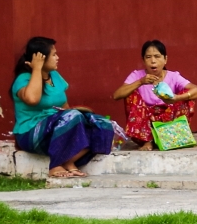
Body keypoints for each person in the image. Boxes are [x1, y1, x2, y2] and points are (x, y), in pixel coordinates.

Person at [11, 36, 120, 178]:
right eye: (54, 54)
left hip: (57, 128)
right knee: (72, 116)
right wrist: (37, 69)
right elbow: (32, 99)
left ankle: (68, 161)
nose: (57, 58)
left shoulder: (55, 76)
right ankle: (55, 165)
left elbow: (64, 107)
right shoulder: (23, 79)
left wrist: (82, 117)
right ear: (42, 58)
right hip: (31, 133)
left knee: (102, 124)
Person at [111, 40, 197, 148]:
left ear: (165, 59)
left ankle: (172, 136)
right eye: (148, 57)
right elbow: (116, 95)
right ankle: (148, 141)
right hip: (145, 123)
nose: (153, 61)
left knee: (188, 95)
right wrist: (140, 82)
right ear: (143, 60)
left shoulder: (173, 76)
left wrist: (176, 98)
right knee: (130, 93)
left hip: (168, 123)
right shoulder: (137, 76)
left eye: (157, 56)